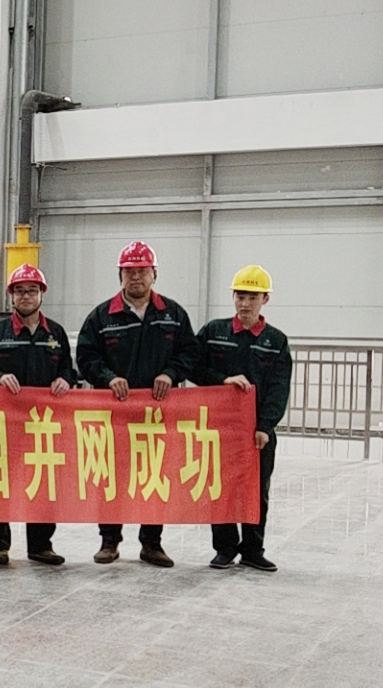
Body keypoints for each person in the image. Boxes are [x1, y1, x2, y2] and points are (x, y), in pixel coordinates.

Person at [76, 240, 200, 568]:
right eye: (129, 271)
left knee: (154, 475)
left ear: (154, 274)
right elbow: (86, 357)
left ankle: (151, 543)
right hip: (114, 415)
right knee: (112, 476)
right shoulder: (101, 317)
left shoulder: (173, 315)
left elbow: (190, 353)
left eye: (142, 271)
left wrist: (171, 373)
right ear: (120, 275)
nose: (136, 277)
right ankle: (109, 540)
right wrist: (107, 377)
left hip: (158, 414)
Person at [0, 264, 76, 566]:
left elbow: (68, 369)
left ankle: (41, 545)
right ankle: (0, 545)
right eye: (19, 291)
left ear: (42, 294)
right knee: (2, 483)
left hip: (44, 424)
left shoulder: (55, 332)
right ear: (11, 296)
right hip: (5, 423)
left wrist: (65, 380)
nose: (26, 296)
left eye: (32, 290)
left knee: (43, 481)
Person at [195, 265, 290, 573]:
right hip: (219, 430)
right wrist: (221, 379)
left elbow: (279, 387)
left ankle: (252, 549)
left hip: (256, 433)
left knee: (256, 490)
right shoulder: (214, 332)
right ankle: (224, 548)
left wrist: (265, 426)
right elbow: (191, 365)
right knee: (220, 488)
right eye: (240, 296)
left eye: (252, 297)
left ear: (265, 299)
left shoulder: (276, 341)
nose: (245, 303)